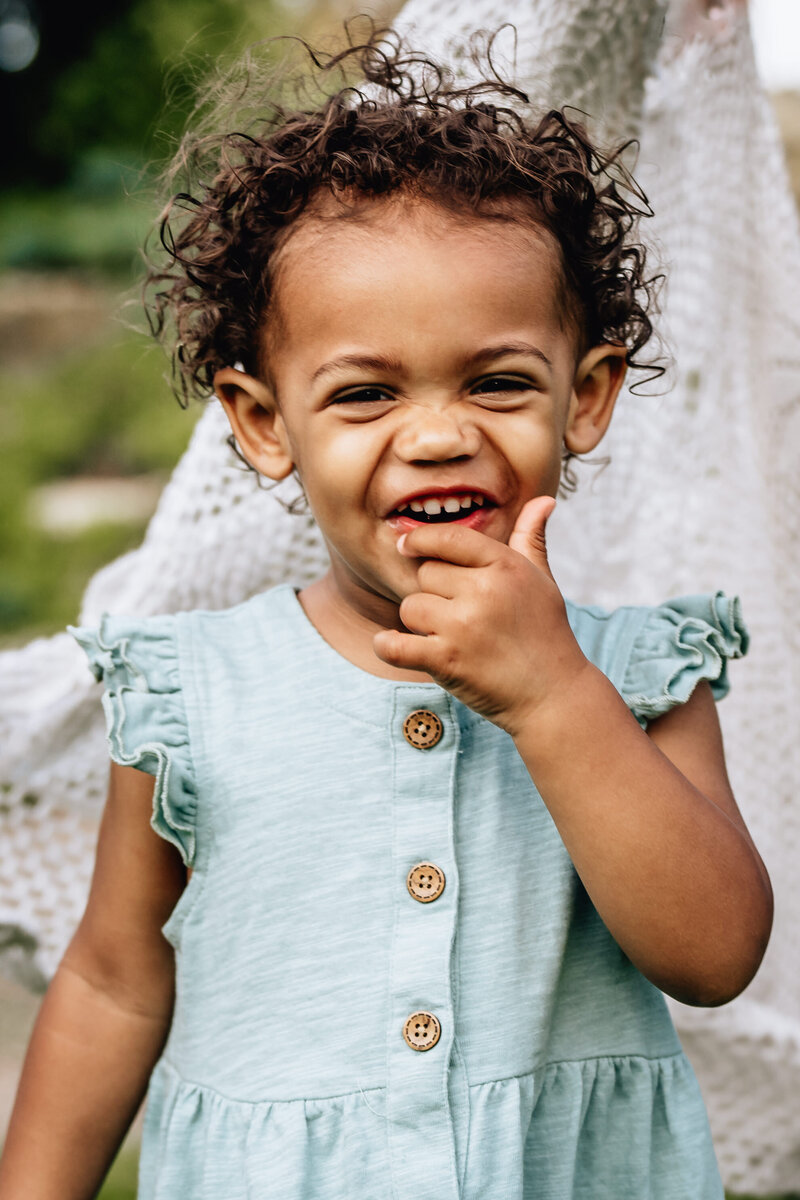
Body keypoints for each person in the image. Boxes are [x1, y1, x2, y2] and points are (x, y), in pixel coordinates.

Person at [0, 31, 773, 1200]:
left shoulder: (639, 674)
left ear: (588, 396)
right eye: (365, 393)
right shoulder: (187, 692)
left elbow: (712, 956)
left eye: (496, 381)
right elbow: (113, 981)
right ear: (262, 425)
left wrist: (554, 694)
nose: (435, 433)